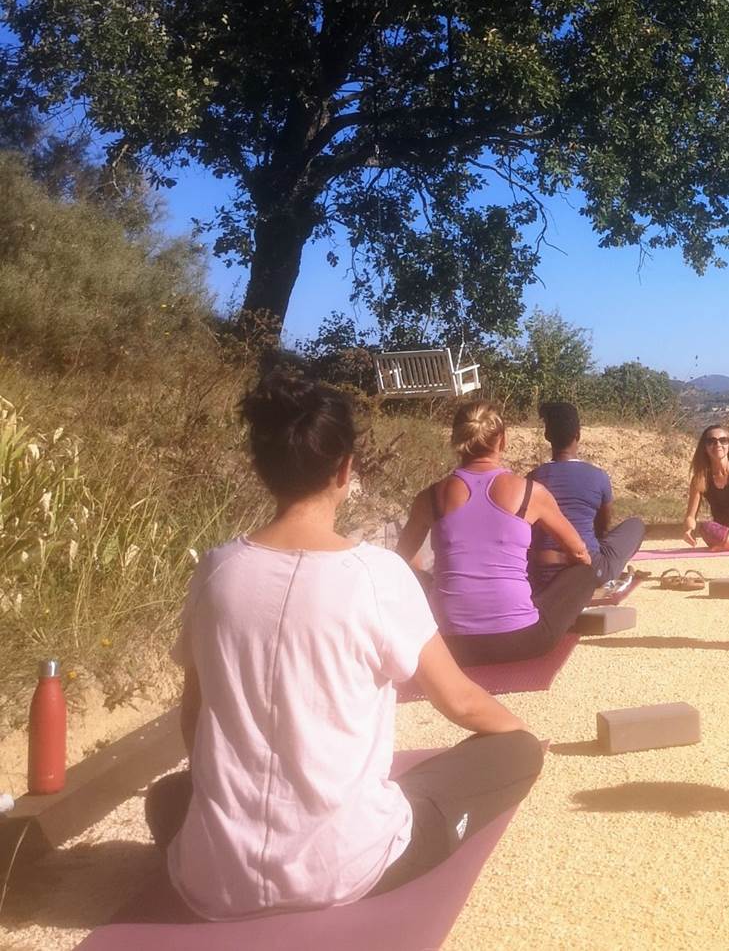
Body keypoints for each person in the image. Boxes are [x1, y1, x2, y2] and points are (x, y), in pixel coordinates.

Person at [145, 370, 544, 920]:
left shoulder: (215, 571)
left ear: (262, 468)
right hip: (347, 867)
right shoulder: (376, 574)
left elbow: (196, 719)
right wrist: (522, 732)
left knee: (167, 797)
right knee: (517, 751)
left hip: (213, 877)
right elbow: (462, 703)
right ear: (344, 468)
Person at [398, 401, 597, 664]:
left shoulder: (430, 497)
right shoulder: (530, 492)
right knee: (585, 572)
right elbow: (579, 552)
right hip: (521, 639)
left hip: (448, 644)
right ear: (502, 441)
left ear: (456, 439)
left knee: (411, 576)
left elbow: (400, 562)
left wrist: (435, 585)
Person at [528, 401, 646, 588]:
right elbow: (602, 528)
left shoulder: (532, 479)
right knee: (636, 526)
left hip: (543, 571)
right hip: (588, 569)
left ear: (547, 435)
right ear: (578, 435)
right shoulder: (598, 476)